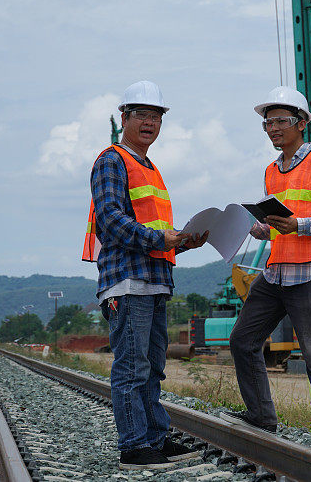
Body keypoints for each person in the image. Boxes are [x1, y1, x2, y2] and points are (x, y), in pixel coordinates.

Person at [82, 80, 207, 470]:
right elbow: (111, 222)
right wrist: (160, 237)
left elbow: (154, 232)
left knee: (152, 367)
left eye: (156, 116)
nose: (150, 122)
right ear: (124, 118)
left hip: (154, 280)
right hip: (127, 281)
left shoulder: (150, 169)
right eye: (142, 114)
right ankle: (135, 446)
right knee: (132, 366)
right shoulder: (111, 160)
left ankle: (154, 437)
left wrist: (185, 242)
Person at [220, 86, 311, 455]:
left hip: (310, 274)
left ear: (301, 123)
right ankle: (262, 417)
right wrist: (261, 227)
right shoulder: (271, 170)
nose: (273, 128)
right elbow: (279, 222)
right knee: (242, 341)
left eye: (280, 121)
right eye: (268, 122)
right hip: (276, 271)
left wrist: (300, 226)